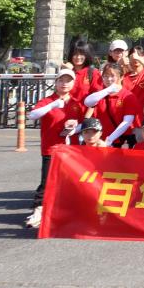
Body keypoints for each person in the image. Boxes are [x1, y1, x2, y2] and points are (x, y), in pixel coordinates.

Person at [25, 68, 85, 228]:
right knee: (47, 182)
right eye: (61, 80)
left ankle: (66, 212)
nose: (64, 84)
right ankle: (38, 210)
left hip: (71, 149)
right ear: (56, 82)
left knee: (70, 181)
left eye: (68, 81)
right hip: (51, 148)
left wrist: (74, 128)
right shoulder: (47, 101)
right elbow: (32, 115)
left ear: (73, 83)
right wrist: (53, 105)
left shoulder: (76, 103)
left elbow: (83, 125)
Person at [83, 63, 136, 147]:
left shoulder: (128, 96)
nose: (108, 79)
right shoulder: (101, 94)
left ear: (121, 77)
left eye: (112, 76)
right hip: (101, 140)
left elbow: (127, 121)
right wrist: (108, 90)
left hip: (121, 141)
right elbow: (87, 102)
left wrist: (109, 140)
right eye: (105, 76)